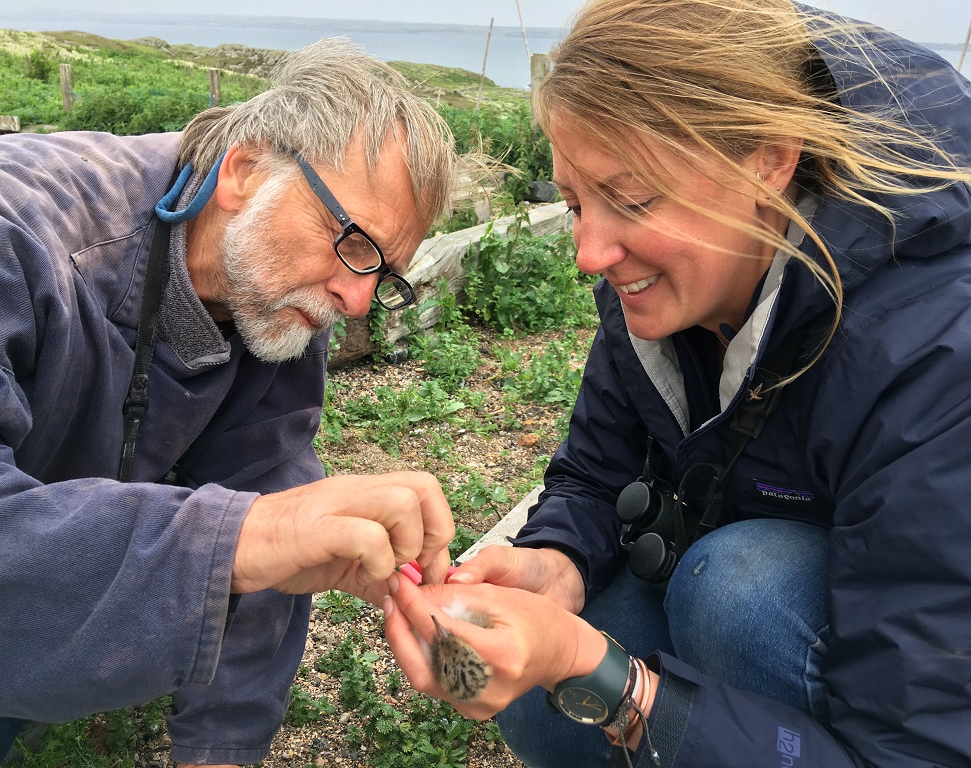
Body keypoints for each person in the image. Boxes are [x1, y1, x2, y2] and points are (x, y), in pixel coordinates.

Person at [384, 1, 971, 767]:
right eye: (572, 204)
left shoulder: (931, 351)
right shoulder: (661, 297)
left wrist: (613, 685)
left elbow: (916, 748)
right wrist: (554, 563)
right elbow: (595, 473)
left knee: (737, 592)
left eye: (630, 200)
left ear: (767, 159)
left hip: (905, 687)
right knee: (542, 698)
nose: (588, 253)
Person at [0, 37, 462, 768]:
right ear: (246, 171)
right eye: (352, 241)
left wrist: (222, 749)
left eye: (383, 275)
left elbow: (274, 499)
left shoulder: (273, 293)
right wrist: (240, 536)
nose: (355, 302)